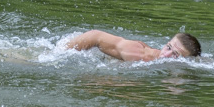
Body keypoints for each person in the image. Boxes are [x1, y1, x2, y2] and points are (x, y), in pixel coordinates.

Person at [66, 30, 201, 61]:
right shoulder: (137, 54)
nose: (166, 55)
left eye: (175, 55)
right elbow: (96, 36)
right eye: (169, 47)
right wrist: (61, 53)